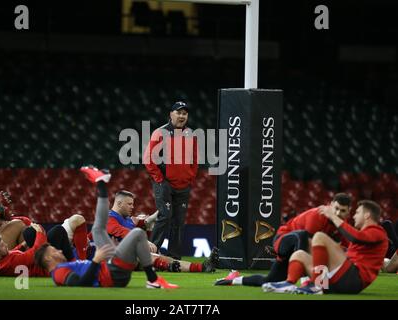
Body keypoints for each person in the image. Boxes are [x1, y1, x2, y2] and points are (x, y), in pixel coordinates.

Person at [35, 166, 179, 289]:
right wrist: (96, 260)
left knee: (98, 228)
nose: (59, 250)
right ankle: (152, 280)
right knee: (137, 234)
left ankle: (101, 184)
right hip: (112, 274)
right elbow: (81, 284)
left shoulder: (68, 263)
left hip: (110, 267)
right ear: (48, 258)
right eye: (54, 250)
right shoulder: (58, 273)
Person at [78, 168, 219, 273]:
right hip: (104, 259)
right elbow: (121, 231)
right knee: (153, 256)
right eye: (129, 204)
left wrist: (165, 208)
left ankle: (202, 267)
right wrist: (144, 240)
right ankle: (176, 267)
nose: (133, 207)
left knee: (160, 257)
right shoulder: (109, 218)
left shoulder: (128, 220)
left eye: (133, 204)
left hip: (124, 257)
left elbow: (146, 220)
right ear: (119, 203)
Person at [215, 193, 352, 286]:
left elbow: (349, 249)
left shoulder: (341, 224)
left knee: (270, 280)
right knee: (304, 236)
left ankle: (234, 279)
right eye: (336, 209)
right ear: (330, 204)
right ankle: (305, 282)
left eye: (343, 211)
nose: (338, 213)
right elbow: (308, 244)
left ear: (349, 211)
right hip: (283, 240)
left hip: (295, 250)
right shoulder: (317, 215)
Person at [262, 200, 388, 294]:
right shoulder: (366, 234)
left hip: (354, 279)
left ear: (367, 215)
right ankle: (289, 283)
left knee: (319, 237)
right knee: (299, 254)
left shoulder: (378, 231)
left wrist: (332, 216)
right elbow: (354, 247)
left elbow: (355, 237)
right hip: (342, 279)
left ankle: (317, 285)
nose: (354, 216)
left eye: (357, 212)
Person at [143, 101, 198, 259]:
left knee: (179, 222)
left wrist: (190, 177)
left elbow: (194, 159)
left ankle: (174, 257)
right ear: (171, 114)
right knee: (165, 216)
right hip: (165, 183)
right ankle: (150, 255)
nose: (182, 116)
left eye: (185, 113)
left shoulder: (191, 134)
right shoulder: (160, 133)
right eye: (178, 112)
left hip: (183, 185)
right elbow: (148, 159)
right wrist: (160, 179)